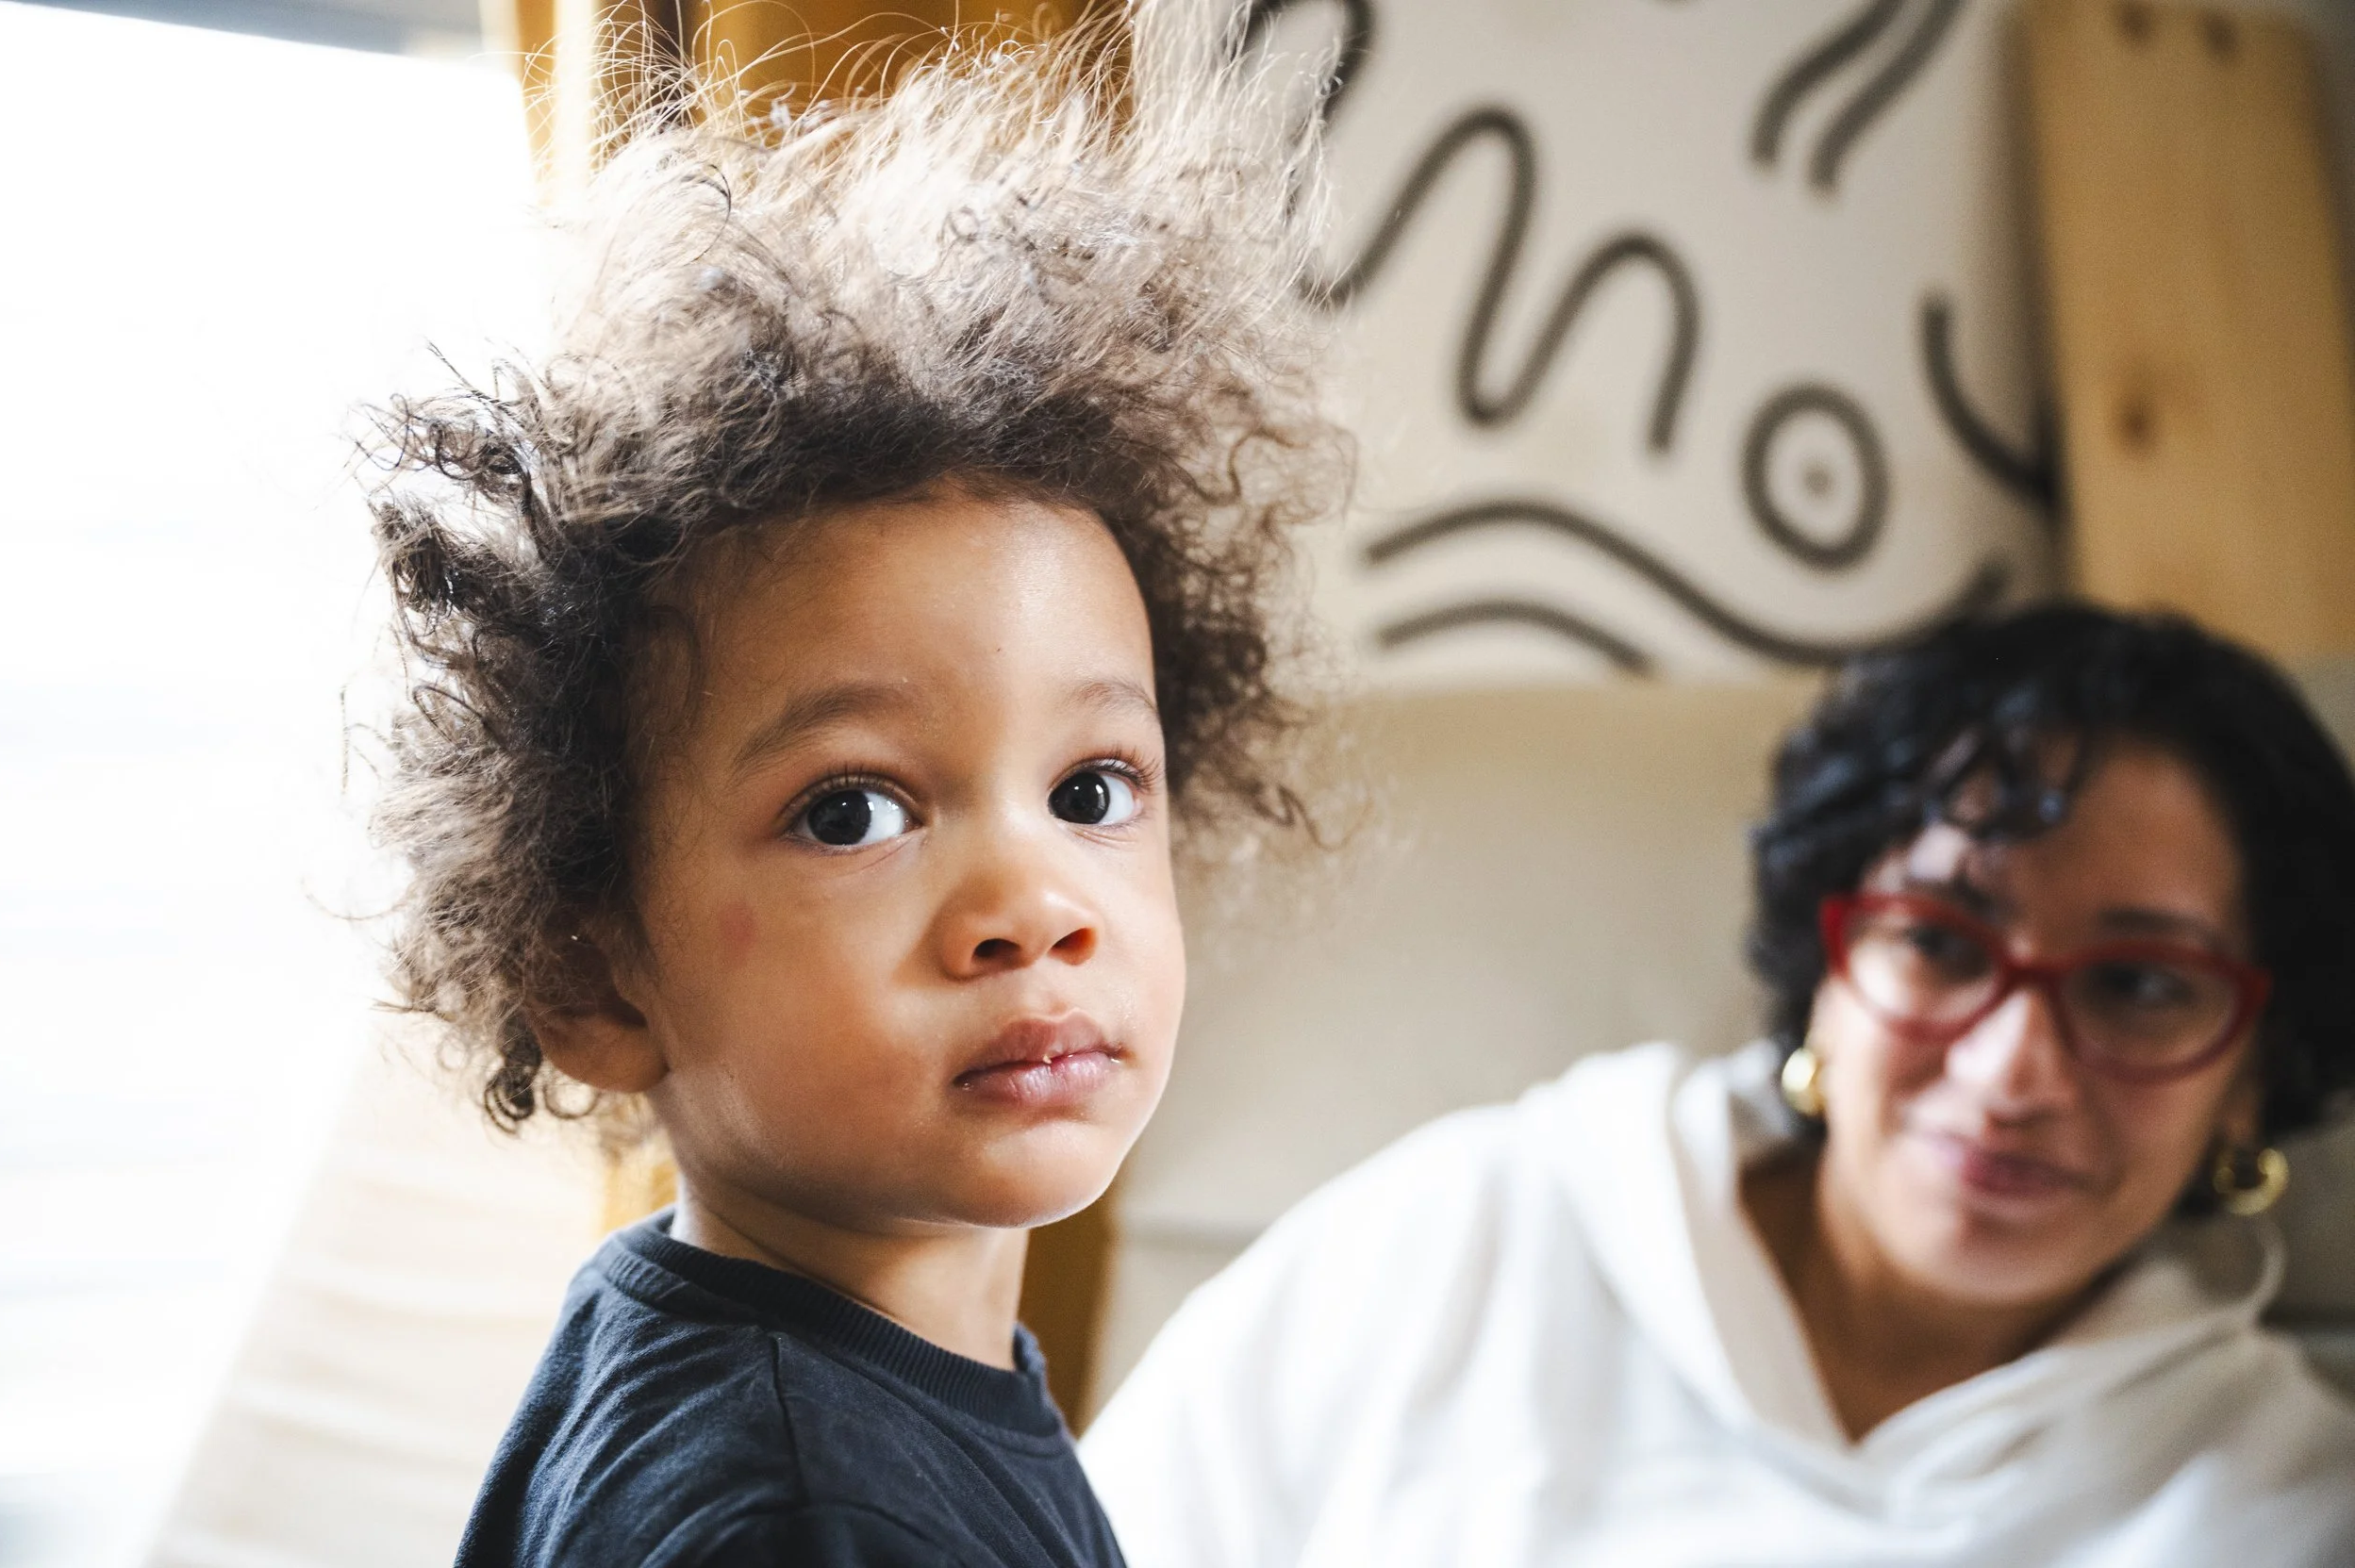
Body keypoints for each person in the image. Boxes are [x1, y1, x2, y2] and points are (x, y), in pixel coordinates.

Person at [358, 8, 1342, 1562]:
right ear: (591, 973)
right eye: (854, 810)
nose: (1034, 907)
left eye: (1092, 788)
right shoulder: (808, 1507)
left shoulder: (777, 1366)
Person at [1083, 604, 2355, 1566]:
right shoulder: (1469, 1237)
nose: (2012, 1065)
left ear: (2257, 1069)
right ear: (1826, 969)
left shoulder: (2289, 1501)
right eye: (1942, 942)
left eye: (2138, 985)